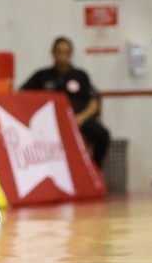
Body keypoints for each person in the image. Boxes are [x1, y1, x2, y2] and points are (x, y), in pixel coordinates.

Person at [22, 37, 111, 169]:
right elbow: (21, 95)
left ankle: (95, 169)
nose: (62, 56)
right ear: (53, 53)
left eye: (66, 52)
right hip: (50, 122)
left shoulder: (80, 75)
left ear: (71, 54)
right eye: (59, 51)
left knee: (102, 135)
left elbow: (94, 101)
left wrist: (80, 118)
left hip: (78, 119)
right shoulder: (41, 75)